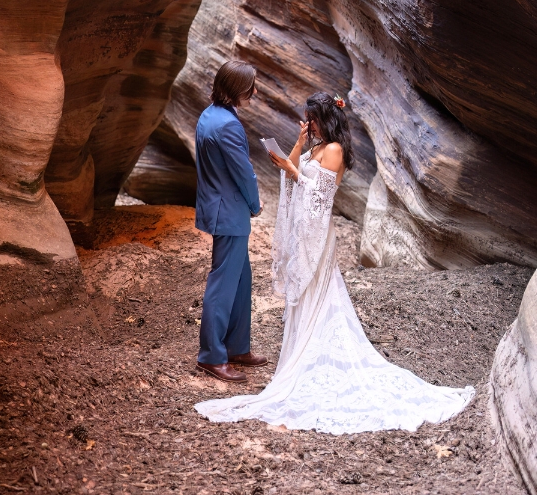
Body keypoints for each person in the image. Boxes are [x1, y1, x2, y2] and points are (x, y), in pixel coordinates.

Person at [195, 91, 475, 432]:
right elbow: (292, 171)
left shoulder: (335, 150)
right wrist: (295, 148)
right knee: (303, 296)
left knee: (318, 292)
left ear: (324, 118)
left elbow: (320, 198)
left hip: (318, 235)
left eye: (310, 119)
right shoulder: (315, 147)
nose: (307, 123)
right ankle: (302, 350)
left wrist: (293, 171)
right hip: (304, 231)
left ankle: (316, 354)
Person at [195, 60, 268, 383]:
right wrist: (255, 204)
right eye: (251, 86)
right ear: (238, 89)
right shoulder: (227, 125)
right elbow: (243, 172)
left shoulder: (209, 115)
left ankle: (237, 346)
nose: (254, 91)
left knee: (240, 279)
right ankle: (212, 355)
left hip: (219, 206)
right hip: (230, 211)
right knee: (223, 284)